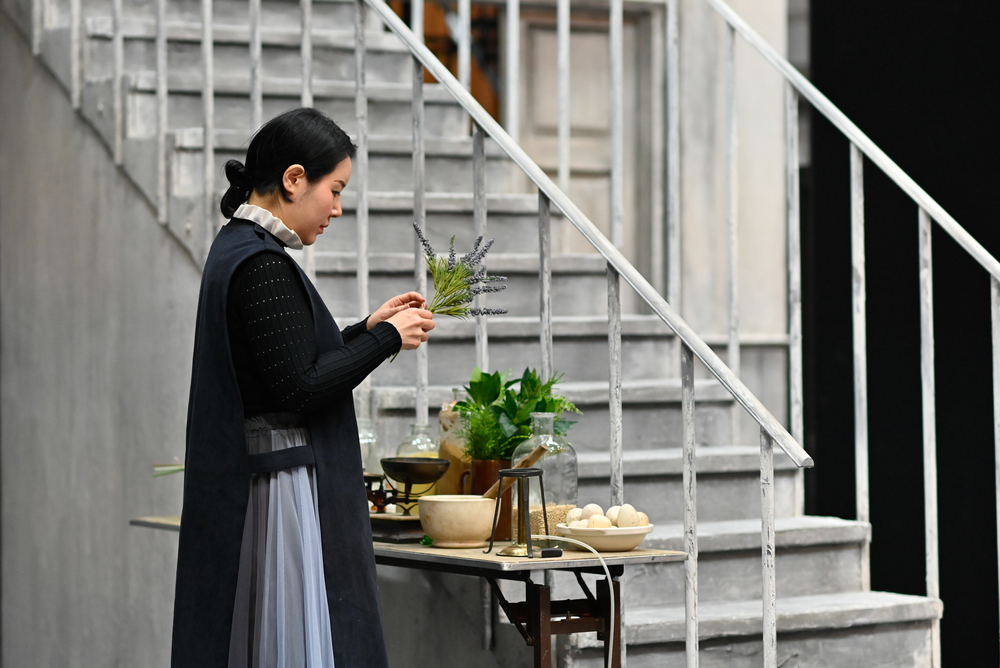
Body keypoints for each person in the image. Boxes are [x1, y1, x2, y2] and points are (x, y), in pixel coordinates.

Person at [171, 107, 435, 668]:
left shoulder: (239, 248)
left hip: (269, 482)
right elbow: (299, 390)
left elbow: (280, 367)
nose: (337, 208)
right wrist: (387, 339)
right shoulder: (261, 263)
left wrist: (363, 330)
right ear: (294, 180)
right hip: (280, 493)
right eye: (334, 190)